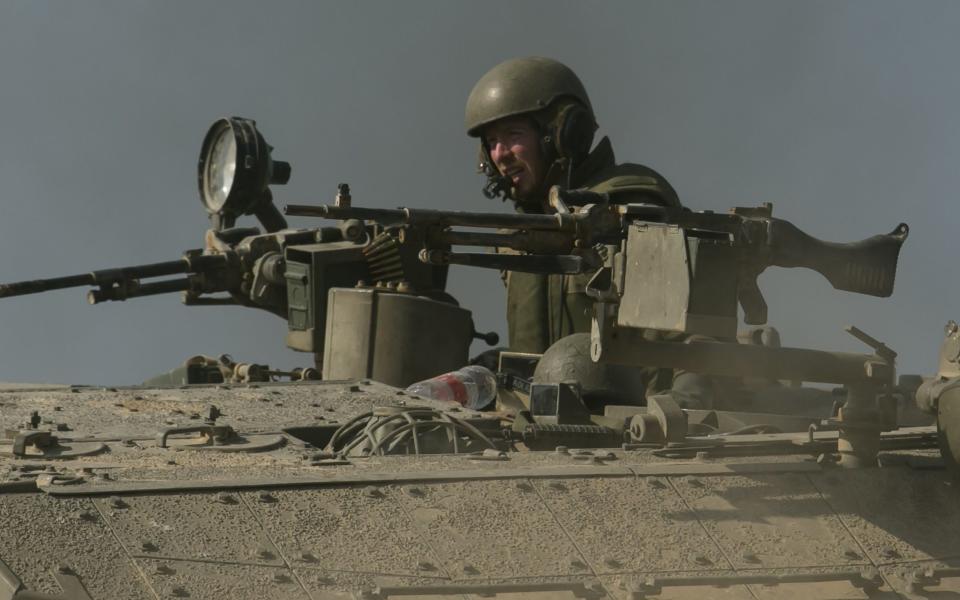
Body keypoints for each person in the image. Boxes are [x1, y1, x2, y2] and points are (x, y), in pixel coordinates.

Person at [464, 56, 680, 355]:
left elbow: (679, 337)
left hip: (629, 399)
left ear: (564, 134)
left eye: (513, 135)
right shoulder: (517, 237)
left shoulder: (629, 205)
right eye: (491, 142)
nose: (500, 154)